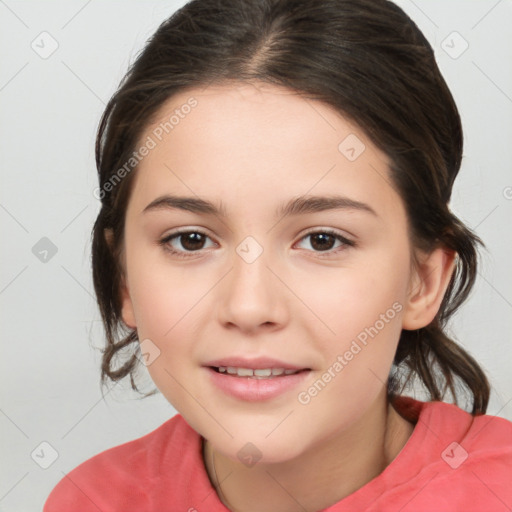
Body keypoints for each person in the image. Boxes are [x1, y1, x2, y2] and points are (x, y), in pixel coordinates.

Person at [44, 0, 512, 510]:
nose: (249, 307)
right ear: (125, 278)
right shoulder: (89, 500)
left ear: (422, 281)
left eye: (323, 240)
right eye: (191, 239)